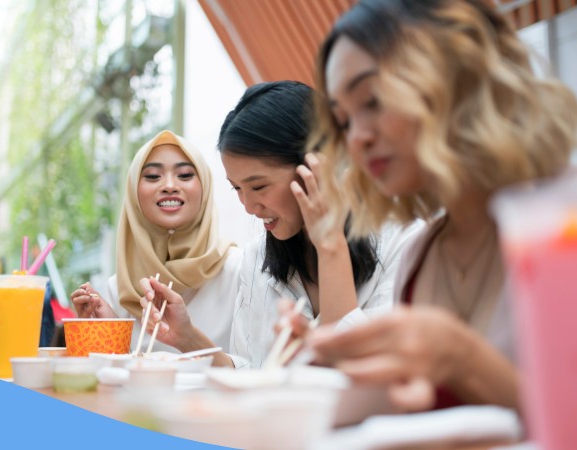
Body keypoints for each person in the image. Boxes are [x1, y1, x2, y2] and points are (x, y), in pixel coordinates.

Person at [304, 0, 577, 412]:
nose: (357, 137)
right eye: (343, 121)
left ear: (457, 74)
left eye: (373, 101)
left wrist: (461, 359)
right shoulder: (422, 256)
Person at [142, 81, 408, 369]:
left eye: (259, 186)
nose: (248, 205)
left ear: (317, 167)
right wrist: (188, 337)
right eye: (237, 189)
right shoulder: (257, 258)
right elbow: (252, 374)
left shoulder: (403, 242)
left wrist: (330, 246)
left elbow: (353, 379)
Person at [69, 130, 242, 359]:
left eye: (185, 175)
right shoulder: (119, 288)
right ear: (133, 193)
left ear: (205, 187)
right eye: (152, 176)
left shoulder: (239, 270)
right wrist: (108, 336)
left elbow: (259, 370)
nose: (169, 185)